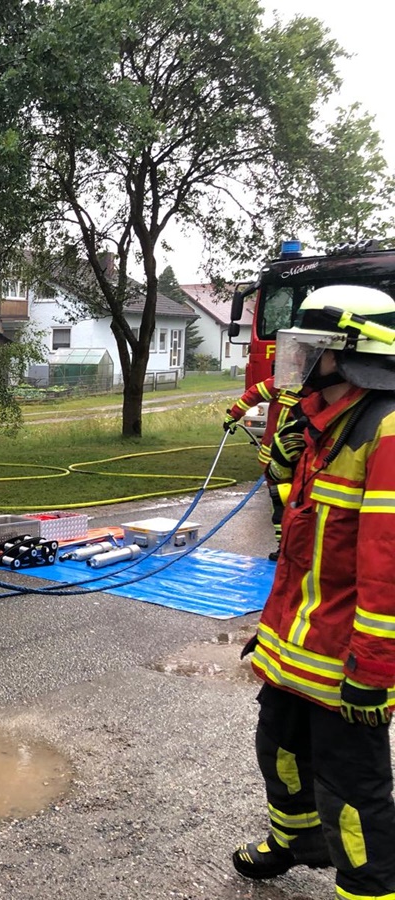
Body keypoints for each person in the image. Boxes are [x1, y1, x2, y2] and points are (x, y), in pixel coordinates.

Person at [234, 284, 395, 899]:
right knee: (280, 750)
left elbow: (386, 562)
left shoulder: (384, 432)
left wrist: (375, 668)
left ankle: (370, 887)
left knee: (353, 787)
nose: (293, 359)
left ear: (350, 352)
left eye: (308, 347)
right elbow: (301, 538)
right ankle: (298, 843)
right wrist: (271, 632)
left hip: (347, 657)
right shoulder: (325, 420)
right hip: (299, 640)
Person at [223, 376, 303, 560]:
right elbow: (254, 394)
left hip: (285, 458)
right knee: (288, 501)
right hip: (285, 459)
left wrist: (232, 416)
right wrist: (233, 414)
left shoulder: (286, 380)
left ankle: (286, 547)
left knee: (286, 502)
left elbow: (253, 394)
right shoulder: (304, 383)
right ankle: (286, 547)